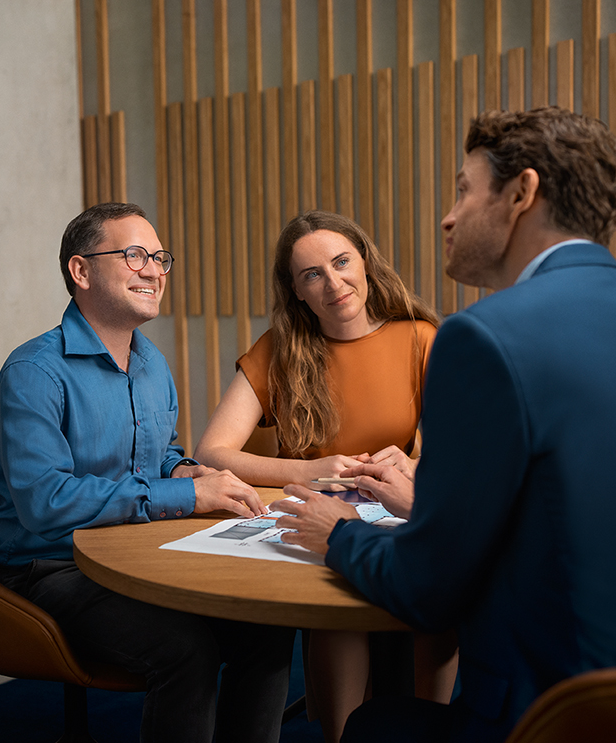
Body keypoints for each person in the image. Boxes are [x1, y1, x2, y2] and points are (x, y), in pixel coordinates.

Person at [271, 107, 616, 743]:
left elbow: (427, 594)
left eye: (464, 190)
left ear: (522, 193)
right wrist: (430, 507)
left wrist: (340, 534)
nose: (449, 215)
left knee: (372, 725)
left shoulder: (484, 339)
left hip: (567, 717)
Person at [0, 202, 294, 743]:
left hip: (136, 549)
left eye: (159, 257)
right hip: (52, 568)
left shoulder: (150, 362)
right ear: (80, 272)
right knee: (186, 651)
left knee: (266, 627)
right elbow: (47, 504)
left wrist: (188, 471)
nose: (153, 270)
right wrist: (186, 498)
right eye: (133, 255)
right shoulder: (34, 372)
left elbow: (161, 453)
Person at [194, 210, 454, 743]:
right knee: (340, 595)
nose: (333, 283)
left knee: (437, 589)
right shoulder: (279, 350)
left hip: (399, 512)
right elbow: (211, 452)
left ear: (365, 263)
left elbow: (468, 453)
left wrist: (413, 465)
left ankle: (434, 727)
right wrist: (309, 469)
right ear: (297, 292)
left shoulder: (420, 338)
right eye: (312, 274)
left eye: (341, 262)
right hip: (318, 521)